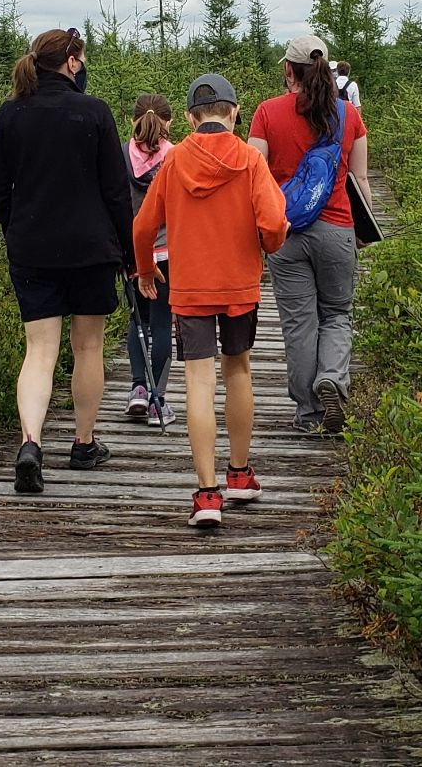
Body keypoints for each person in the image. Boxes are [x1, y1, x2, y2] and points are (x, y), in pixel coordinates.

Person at [134, 73, 289, 527]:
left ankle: (206, 496)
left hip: (191, 286)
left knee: (198, 382)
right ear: (235, 112)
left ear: (187, 118)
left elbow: (143, 227)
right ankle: (239, 476)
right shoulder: (249, 159)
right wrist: (268, 247)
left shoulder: (175, 161)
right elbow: (275, 222)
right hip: (239, 284)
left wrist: (146, 269)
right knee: (238, 369)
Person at [0, 27, 133, 494]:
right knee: (87, 348)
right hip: (91, 249)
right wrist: (130, 254)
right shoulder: (95, 112)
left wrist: (17, 231)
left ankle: (30, 442)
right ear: (72, 61)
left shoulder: (10, 115)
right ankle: (83, 444)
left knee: (40, 351)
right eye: (82, 56)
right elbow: (115, 192)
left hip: (32, 249)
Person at [250, 35, 370, 435]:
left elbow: (253, 177)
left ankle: (309, 414)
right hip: (337, 228)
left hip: (286, 232)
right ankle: (332, 378)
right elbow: (361, 179)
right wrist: (365, 232)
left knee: (299, 323)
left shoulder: (266, 113)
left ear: (288, 70)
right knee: (336, 313)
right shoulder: (348, 115)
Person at [125, 93, 176, 425]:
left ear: (133, 121)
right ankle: (159, 398)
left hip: (132, 251)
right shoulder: (177, 157)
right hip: (169, 253)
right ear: (169, 123)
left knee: (137, 321)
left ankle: (138, 389)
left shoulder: (120, 156)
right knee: (161, 323)